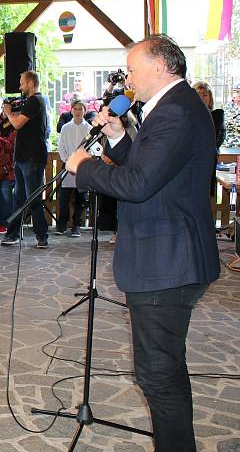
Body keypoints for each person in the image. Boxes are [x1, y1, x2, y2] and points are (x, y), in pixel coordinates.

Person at [66, 34, 220, 452]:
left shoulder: (173, 112)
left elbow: (139, 184)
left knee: (157, 376)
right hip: (170, 256)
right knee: (165, 369)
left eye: (133, 69)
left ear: (159, 66)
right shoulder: (177, 107)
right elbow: (155, 167)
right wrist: (118, 138)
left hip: (166, 262)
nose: (129, 79)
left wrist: (85, 167)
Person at [1, 70, 49, 248]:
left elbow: (17, 123)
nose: (20, 86)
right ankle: (12, 233)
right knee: (19, 197)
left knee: (33, 197)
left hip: (32, 157)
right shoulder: (30, 102)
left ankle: (41, 235)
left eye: (22, 83)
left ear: (30, 83)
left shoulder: (36, 100)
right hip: (22, 157)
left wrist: (8, 112)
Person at [56, 100, 90, 237]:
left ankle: (76, 226)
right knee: (64, 198)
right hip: (68, 167)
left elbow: (90, 148)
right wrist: (67, 161)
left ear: (84, 111)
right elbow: (61, 146)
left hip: (82, 168)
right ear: (71, 110)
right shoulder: (65, 128)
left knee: (80, 199)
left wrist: (82, 162)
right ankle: (62, 225)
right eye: (75, 108)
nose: (77, 111)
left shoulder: (88, 128)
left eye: (80, 109)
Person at [191, 81, 225, 148]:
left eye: (205, 95)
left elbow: (212, 143)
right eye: (197, 95)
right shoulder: (185, 116)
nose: (201, 98)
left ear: (210, 99)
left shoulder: (217, 116)